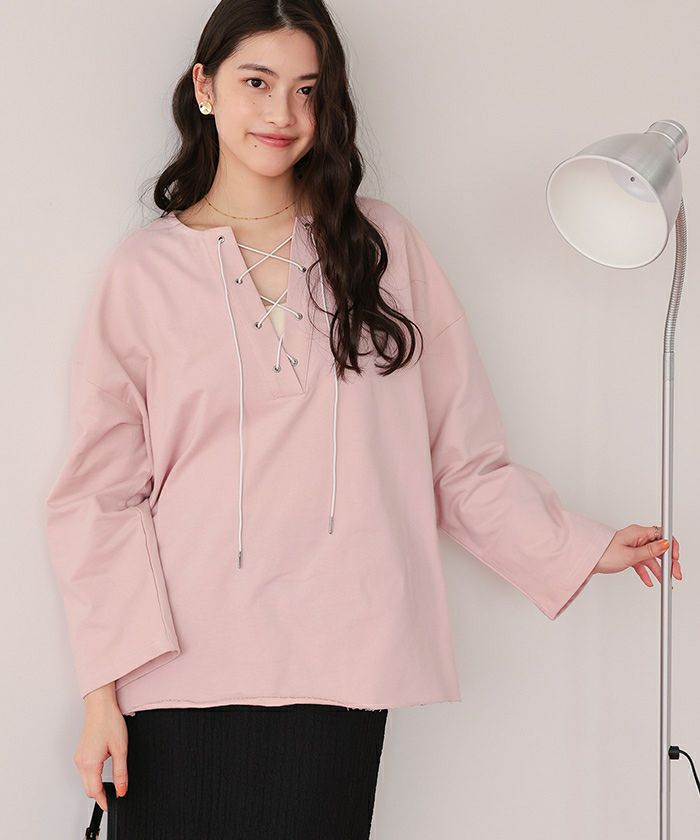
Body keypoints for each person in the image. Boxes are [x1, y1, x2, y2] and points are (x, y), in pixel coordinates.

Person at [43, 1, 683, 837]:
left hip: (340, 658)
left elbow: (459, 457)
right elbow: (99, 497)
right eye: (257, 82)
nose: (282, 113)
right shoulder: (143, 273)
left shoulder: (381, 248)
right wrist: (101, 694)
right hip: (175, 671)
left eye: (306, 90)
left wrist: (576, 544)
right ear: (205, 87)